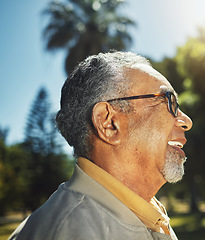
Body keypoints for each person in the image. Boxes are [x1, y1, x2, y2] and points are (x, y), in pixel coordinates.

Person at [9, 51, 193, 240]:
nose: (187, 121)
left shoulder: (149, 213)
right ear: (109, 123)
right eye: (169, 101)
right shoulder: (65, 233)